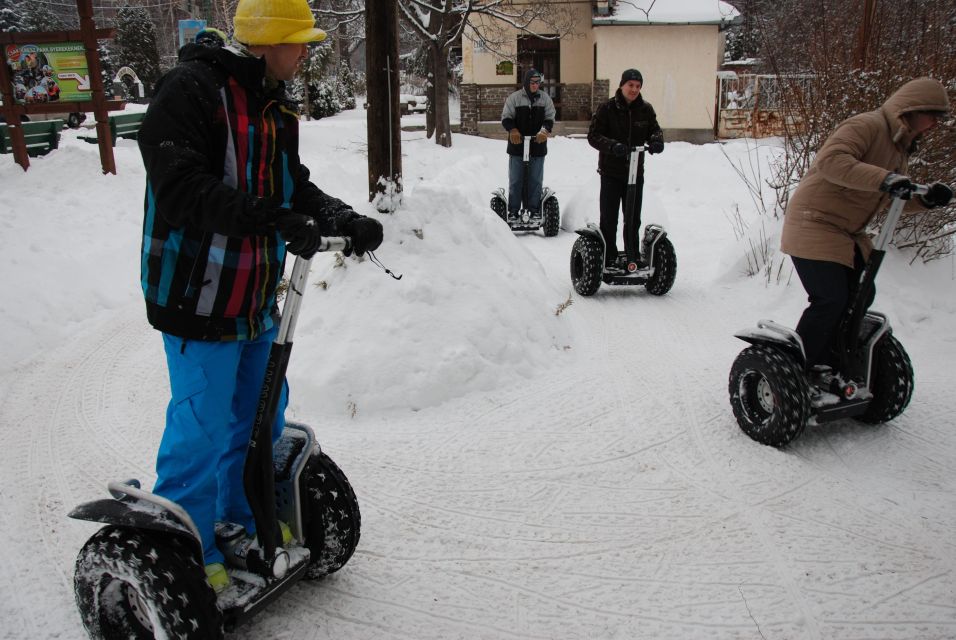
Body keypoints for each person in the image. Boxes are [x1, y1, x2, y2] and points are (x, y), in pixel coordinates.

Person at [137, 0, 383, 593]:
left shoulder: (274, 105)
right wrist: (271, 219)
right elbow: (181, 190)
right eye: (299, 41)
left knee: (258, 420)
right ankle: (187, 546)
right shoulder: (190, 91)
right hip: (196, 297)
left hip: (253, 298)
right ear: (269, 41)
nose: (306, 52)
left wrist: (343, 217)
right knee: (200, 426)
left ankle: (238, 520)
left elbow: (292, 183)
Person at [780, 77, 952, 371]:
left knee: (861, 296)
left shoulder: (899, 148)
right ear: (911, 109)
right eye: (932, 116)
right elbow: (831, 161)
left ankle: (834, 359)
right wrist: (884, 179)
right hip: (814, 223)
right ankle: (796, 368)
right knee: (830, 298)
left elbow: (888, 196)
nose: (934, 125)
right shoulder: (867, 126)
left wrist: (925, 199)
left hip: (847, 233)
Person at [588, 69, 664, 271]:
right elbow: (593, 136)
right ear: (622, 85)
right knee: (609, 217)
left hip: (635, 173)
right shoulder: (607, 108)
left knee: (632, 218)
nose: (634, 90)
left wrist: (656, 141)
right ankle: (609, 256)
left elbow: (654, 130)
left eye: (638, 86)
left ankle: (632, 255)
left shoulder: (645, 109)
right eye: (631, 85)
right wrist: (613, 146)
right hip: (611, 172)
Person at [501, 68, 556, 216]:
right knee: (516, 180)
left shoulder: (545, 99)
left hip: (537, 145)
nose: (535, 85)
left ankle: (534, 210)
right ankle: (513, 211)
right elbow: (506, 117)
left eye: (537, 82)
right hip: (517, 146)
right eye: (532, 82)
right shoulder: (514, 98)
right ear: (526, 82)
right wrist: (512, 130)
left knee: (535, 180)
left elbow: (550, 117)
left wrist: (545, 130)